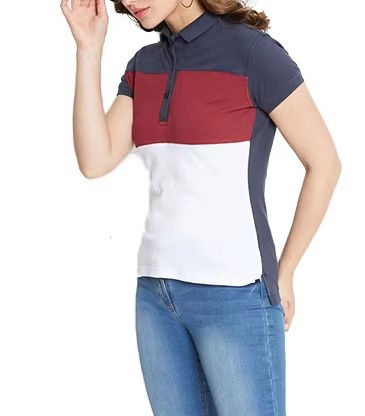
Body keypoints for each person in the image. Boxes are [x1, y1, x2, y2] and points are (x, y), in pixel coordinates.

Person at [61, 0, 341, 414]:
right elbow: (94, 160)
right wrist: (88, 50)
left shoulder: (253, 54)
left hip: (236, 295)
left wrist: (286, 272)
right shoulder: (144, 66)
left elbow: (324, 163)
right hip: (156, 298)